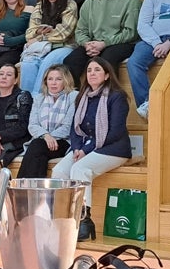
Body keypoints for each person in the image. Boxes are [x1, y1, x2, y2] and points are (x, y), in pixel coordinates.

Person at [51, 56, 132, 242]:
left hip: (113, 148)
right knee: (59, 172)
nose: (92, 73)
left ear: (106, 75)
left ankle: (84, 221)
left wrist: (86, 149)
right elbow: (75, 129)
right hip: (85, 147)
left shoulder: (116, 97)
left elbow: (115, 131)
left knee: (80, 169)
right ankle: (64, 220)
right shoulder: (83, 97)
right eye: (89, 70)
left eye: (97, 70)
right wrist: (78, 147)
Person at [64, 0, 142, 82]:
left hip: (121, 44)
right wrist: (87, 44)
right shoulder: (89, 2)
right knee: (70, 61)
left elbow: (130, 33)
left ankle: (111, 97)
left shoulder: (132, 0)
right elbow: (80, 31)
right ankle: (77, 98)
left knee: (107, 59)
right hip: (94, 44)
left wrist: (104, 43)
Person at [20, 0, 79, 94]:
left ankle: (37, 100)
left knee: (48, 62)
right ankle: (24, 103)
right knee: (28, 64)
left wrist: (40, 37)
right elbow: (30, 33)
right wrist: (38, 32)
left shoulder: (70, 4)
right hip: (42, 47)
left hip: (65, 46)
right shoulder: (40, 6)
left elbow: (64, 33)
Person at [17, 65, 78, 179]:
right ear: (46, 82)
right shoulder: (40, 98)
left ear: (66, 81)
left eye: (58, 79)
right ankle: (36, 188)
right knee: (39, 156)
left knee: (37, 146)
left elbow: (68, 126)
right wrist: (46, 136)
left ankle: (22, 186)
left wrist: (49, 137)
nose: (53, 83)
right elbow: (33, 125)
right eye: (50, 79)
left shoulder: (73, 97)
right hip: (43, 141)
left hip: (63, 141)